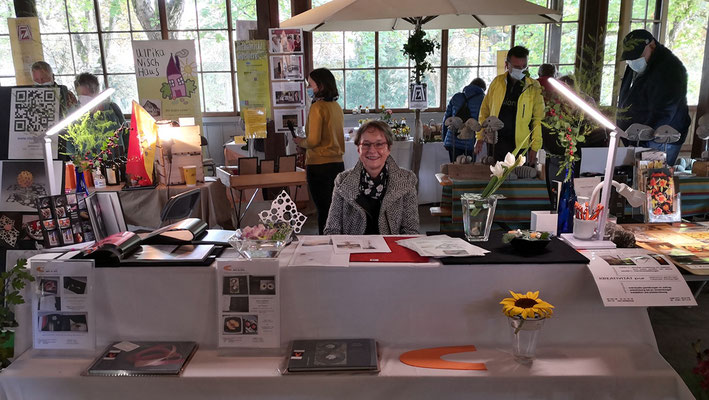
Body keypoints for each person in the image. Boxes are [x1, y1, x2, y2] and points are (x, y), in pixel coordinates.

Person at [324, 120, 419, 235]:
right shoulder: (342, 181)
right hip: (352, 250)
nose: (372, 150)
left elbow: (411, 231)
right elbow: (332, 230)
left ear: (389, 148)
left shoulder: (407, 180)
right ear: (358, 149)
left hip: (392, 251)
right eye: (366, 144)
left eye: (379, 144)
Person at [617, 29, 691, 166]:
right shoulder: (637, 63)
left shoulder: (670, 68)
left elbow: (667, 108)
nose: (633, 61)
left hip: (660, 136)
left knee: (655, 180)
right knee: (635, 178)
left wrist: (647, 133)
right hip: (635, 134)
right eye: (630, 58)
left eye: (637, 56)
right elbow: (625, 95)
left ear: (652, 45)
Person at [294, 68, 345, 234]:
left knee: (324, 210)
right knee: (335, 208)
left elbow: (313, 140)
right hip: (337, 164)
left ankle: (325, 244)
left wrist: (301, 141)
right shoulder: (336, 106)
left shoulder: (317, 107)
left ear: (321, 86)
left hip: (319, 165)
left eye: (310, 84)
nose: (308, 87)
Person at [474, 46, 544, 165]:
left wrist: (535, 146)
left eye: (524, 67)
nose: (521, 70)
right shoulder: (497, 82)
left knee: (518, 178)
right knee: (494, 178)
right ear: (507, 65)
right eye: (517, 67)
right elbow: (485, 111)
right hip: (495, 142)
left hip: (520, 145)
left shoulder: (533, 86)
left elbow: (538, 119)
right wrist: (480, 137)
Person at [74, 72, 128, 153]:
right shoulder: (75, 114)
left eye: (85, 95)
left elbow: (126, 135)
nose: (81, 99)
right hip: (90, 163)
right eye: (79, 95)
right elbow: (70, 145)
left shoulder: (112, 109)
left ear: (96, 92)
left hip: (117, 160)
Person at [442, 78, 486, 162]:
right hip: (470, 142)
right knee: (469, 170)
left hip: (453, 140)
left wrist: (445, 139)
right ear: (482, 89)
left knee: (454, 169)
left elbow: (446, 119)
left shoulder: (456, 97)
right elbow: (483, 121)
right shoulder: (483, 99)